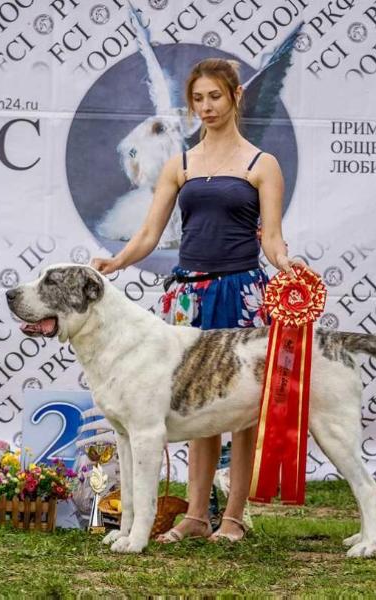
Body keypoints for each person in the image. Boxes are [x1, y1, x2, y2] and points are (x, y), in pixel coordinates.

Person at [91, 58, 302, 543]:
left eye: (215, 97)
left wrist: (286, 264)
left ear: (235, 98)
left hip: (243, 293)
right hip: (189, 298)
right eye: (198, 99)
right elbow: (148, 233)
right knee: (197, 409)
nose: (206, 108)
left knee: (243, 410)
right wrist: (115, 262)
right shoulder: (179, 165)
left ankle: (232, 517)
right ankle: (194, 515)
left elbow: (271, 238)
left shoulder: (261, 164)